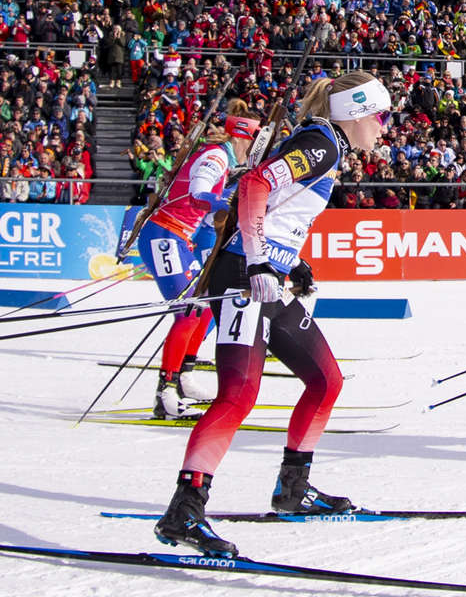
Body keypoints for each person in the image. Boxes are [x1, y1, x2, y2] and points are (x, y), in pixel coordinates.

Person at [154, 72, 390, 558]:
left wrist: (289, 262)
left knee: (325, 380)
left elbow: (278, 206)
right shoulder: (322, 145)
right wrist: (260, 259)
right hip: (244, 275)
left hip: (265, 275)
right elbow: (255, 185)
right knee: (237, 395)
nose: (383, 128)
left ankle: (293, 488)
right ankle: (185, 511)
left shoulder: (327, 146)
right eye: (379, 116)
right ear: (355, 112)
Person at [135, 105, 259, 420]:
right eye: (252, 144)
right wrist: (225, 201)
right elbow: (197, 194)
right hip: (164, 236)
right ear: (241, 139)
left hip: (178, 237)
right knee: (188, 312)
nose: (252, 152)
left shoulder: (224, 159)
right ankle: (165, 393)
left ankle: (183, 377)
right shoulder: (216, 157)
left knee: (202, 306)